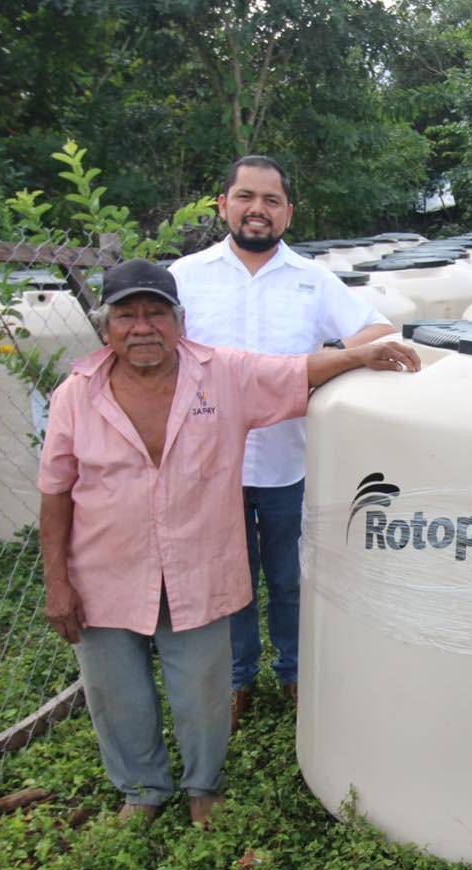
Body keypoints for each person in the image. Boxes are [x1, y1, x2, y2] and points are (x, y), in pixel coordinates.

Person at [38, 259, 419, 825]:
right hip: (104, 572)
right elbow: (55, 491)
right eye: (126, 316)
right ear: (106, 327)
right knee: (116, 692)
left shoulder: (222, 376)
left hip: (196, 568)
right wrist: (58, 582)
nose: (142, 328)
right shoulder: (76, 394)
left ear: (180, 321)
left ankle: (203, 786)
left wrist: (359, 355)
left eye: (156, 314)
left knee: (202, 689)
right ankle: (141, 790)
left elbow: (295, 371)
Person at [170, 156, 395, 731]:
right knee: (232, 580)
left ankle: (295, 673)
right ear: (223, 205)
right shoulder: (186, 277)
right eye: (246, 197)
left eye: (271, 201)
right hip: (211, 465)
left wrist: (332, 359)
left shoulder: (311, 281)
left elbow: (376, 329)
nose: (258, 210)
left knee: (291, 578)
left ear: (288, 213)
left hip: (288, 461)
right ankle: (238, 679)